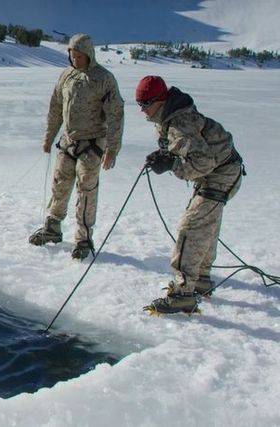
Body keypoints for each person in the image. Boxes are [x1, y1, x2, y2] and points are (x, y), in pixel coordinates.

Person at [138, 75, 244, 314]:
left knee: (192, 226)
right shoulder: (169, 118)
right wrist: (165, 157)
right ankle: (201, 280)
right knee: (206, 224)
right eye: (140, 104)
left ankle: (183, 294)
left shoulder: (179, 124)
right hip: (221, 171)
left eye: (145, 104)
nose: (142, 110)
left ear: (159, 100)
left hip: (221, 174)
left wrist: (172, 165)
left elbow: (203, 163)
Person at [29, 33, 124, 260]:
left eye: (80, 56)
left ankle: (83, 239)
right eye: (72, 55)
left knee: (86, 192)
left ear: (89, 55)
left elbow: (115, 115)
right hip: (68, 142)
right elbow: (55, 107)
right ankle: (52, 228)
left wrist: (112, 149)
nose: (75, 60)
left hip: (92, 145)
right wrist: (49, 136)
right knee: (59, 186)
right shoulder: (66, 76)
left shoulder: (104, 79)